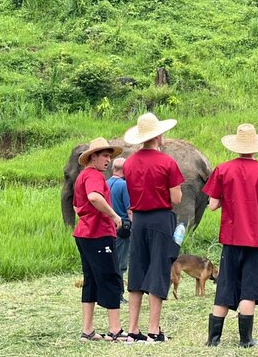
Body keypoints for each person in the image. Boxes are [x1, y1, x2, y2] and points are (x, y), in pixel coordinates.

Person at [202, 123, 258, 348]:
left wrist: (231, 202)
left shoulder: (222, 169)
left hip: (231, 237)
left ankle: (213, 339)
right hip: (257, 239)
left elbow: (212, 205)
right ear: (256, 147)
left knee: (225, 286)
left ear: (236, 146)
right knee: (249, 289)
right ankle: (245, 340)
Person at [122, 112, 184, 343]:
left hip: (138, 221)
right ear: (159, 135)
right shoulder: (167, 162)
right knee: (158, 271)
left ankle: (132, 330)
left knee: (137, 271)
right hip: (160, 220)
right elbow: (176, 199)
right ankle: (154, 330)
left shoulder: (129, 163)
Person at [72, 137, 129, 342]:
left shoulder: (82, 176)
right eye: (105, 156)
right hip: (98, 234)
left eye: (109, 156)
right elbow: (94, 197)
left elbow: (77, 208)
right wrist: (114, 216)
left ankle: (87, 331)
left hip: (84, 234)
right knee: (111, 277)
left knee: (92, 281)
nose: (108, 160)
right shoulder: (94, 176)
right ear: (93, 157)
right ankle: (115, 330)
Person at [106, 157, 131, 304]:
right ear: (124, 170)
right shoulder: (124, 185)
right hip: (122, 229)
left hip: (106, 228)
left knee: (108, 260)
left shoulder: (105, 183)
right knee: (120, 263)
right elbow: (129, 210)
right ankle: (118, 295)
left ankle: (107, 292)